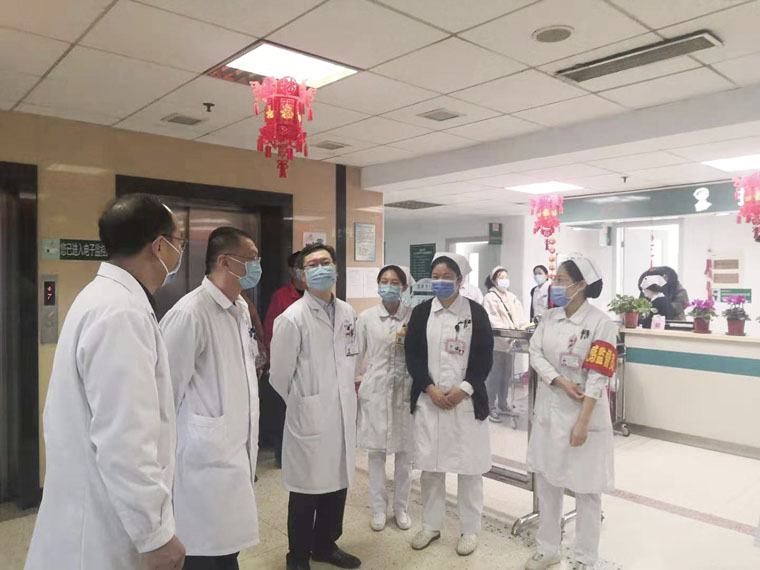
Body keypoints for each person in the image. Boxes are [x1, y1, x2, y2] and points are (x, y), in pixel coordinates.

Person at [25, 194, 186, 570]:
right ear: (159, 246)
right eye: (178, 241)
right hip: (102, 530)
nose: (179, 251)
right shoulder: (121, 313)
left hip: (93, 511)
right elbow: (124, 439)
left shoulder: (105, 298)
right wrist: (155, 535)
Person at [160, 227, 262, 570]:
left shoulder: (240, 308)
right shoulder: (190, 314)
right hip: (201, 461)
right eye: (251, 259)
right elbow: (163, 396)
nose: (256, 266)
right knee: (203, 550)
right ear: (225, 262)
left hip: (234, 452)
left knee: (227, 546)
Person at [269, 243, 361, 570]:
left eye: (326, 262)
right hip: (309, 416)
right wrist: (306, 401)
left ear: (336, 268)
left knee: (337, 485)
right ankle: (297, 556)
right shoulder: (291, 318)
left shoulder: (348, 313)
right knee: (306, 491)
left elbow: (352, 358)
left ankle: (325, 545)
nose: (320, 268)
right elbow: (279, 375)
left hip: (342, 415)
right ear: (302, 275)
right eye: (312, 265)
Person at [524, 256, 617, 570]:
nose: (555, 285)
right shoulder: (549, 318)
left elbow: (599, 376)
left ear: (581, 285)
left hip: (584, 412)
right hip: (550, 408)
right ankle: (548, 548)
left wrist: (583, 422)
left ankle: (584, 558)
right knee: (548, 483)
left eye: (562, 280)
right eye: (556, 279)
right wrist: (559, 380)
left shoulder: (601, 323)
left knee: (586, 488)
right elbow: (535, 352)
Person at [405, 254, 493, 557]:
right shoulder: (421, 313)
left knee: (469, 470)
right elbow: (413, 356)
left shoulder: (475, 313)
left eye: (447, 276)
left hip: (466, 403)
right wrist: (429, 388)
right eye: (435, 276)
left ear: (460, 280)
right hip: (430, 401)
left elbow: (484, 357)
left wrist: (463, 389)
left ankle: (470, 530)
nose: (440, 281)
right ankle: (431, 526)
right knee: (431, 469)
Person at [356, 265, 414, 533]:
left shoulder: (413, 317)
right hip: (376, 390)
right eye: (384, 281)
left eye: (394, 282)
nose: (388, 286)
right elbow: (356, 355)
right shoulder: (366, 318)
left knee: (405, 455)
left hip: (405, 390)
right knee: (376, 454)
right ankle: (379, 509)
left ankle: (401, 508)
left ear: (404, 287)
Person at [262, 251, 304, 467]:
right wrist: (271, 361)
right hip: (286, 365)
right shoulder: (281, 297)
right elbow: (270, 330)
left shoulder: (318, 296)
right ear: (291, 270)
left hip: (310, 368)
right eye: (299, 266)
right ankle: (282, 454)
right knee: (283, 413)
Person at [482, 266, 530, 423]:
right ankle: (490, 406)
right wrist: (509, 331)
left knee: (506, 375)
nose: (505, 280)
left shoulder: (513, 298)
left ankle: (503, 403)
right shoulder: (489, 298)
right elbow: (491, 319)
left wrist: (523, 329)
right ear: (494, 280)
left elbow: (521, 319)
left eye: (506, 277)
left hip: (511, 344)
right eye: (501, 277)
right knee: (494, 376)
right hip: (497, 343)